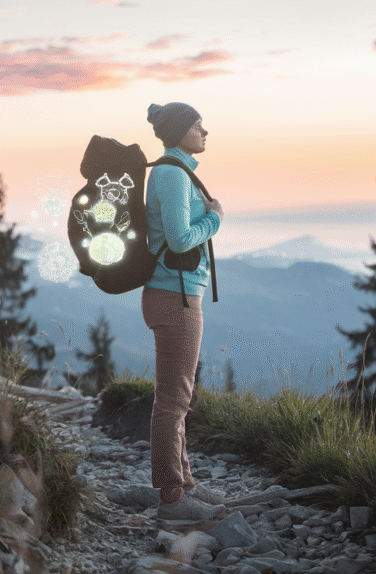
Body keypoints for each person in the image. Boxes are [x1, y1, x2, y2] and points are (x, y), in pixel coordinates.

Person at [143, 102, 227, 521]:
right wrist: (214, 220)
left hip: (175, 294)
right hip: (173, 297)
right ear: (180, 131)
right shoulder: (174, 175)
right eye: (198, 125)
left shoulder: (175, 170)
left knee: (179, 395)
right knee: (174, 399)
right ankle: (172, 497)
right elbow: (179, 240)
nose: (205, 131)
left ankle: (185, 482)